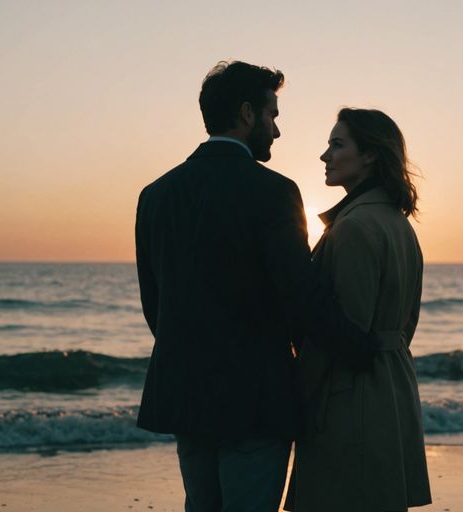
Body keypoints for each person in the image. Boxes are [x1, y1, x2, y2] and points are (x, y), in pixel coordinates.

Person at [134, 62, 379, 512]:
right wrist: (360, 350)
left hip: (186, 393)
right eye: (273, 115)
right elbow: (300, 297)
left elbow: (156, 304)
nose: (277, 131)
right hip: (254, 400)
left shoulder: (156, 195)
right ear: (247, 114)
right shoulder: (273, 192)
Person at [285, 108, 432, 511]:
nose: (324, 156)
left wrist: (297, 395)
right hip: (393, 388)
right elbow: (407, 324)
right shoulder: (398, 225)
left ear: (369, 155)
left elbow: (341, 334)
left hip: (351, 401)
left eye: (337, 144)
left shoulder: (354, 227)